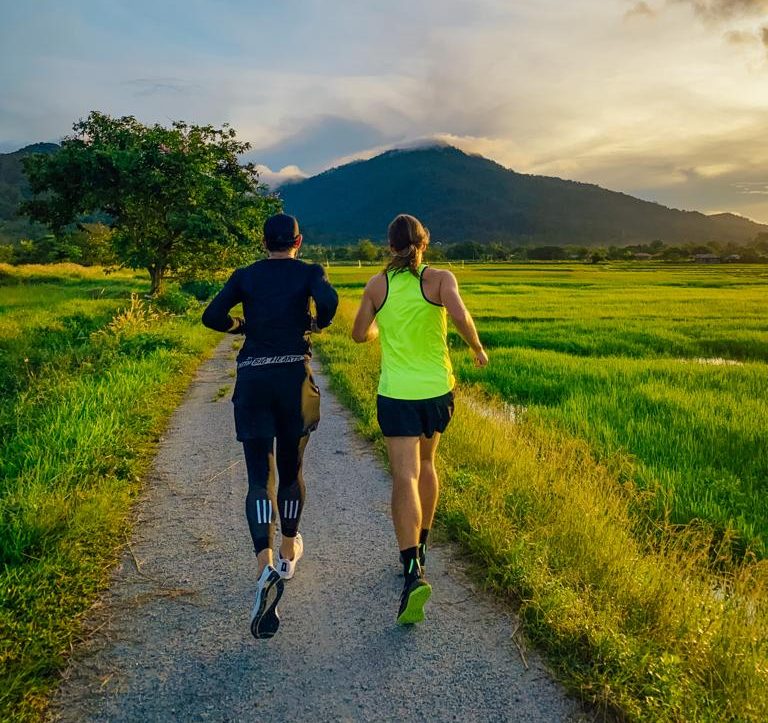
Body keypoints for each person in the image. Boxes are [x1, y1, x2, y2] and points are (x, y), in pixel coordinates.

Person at [202, 213, 338, 639]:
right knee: (292, 472)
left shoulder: (245, 275)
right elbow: (330, 302)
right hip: (293, 379)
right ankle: (288, 551)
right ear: (299, 241)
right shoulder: (310, 272)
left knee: (259, 478)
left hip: (254, 379)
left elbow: (212, 316)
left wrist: (240, 326)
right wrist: (316, 323)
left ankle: (264, 567)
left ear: (264, 242)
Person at [351, 214, 488, 625]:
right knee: (428, 464)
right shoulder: (441, 279)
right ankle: (423, 546)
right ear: (424, 244)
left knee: (404, 476)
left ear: (389, 247)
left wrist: (377, 331)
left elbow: (359, 333)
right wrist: (476, 348)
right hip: (436, 391)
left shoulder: (377, 285)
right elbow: (461, 316)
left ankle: (412, 569)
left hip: (397, 394)